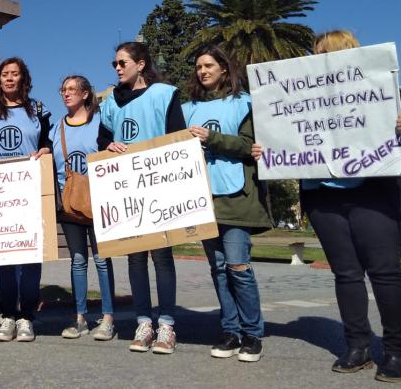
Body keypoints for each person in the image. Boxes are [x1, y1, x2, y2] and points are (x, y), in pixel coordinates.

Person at [253, 30, 401, 382]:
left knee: (384, 272)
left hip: (376, 192)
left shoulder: (380, 85)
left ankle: (397, 352)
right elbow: (285, 131)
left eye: (322, 51)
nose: (317, 56)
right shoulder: (302, 93)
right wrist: (267, 151)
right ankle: (357, 347)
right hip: (324, 195)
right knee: (346, 273)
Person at [182, 46, 271, 362]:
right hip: (203, 198)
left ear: (224, 68)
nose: (202, 71)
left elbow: (250, 146)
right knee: (218, 268)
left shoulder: (244, 103)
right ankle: (230, 331)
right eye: (198, 67)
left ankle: (252, 333)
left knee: (238, 266)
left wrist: (211, 139)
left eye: (208, 65)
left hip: (235, 196)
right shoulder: (187, 108)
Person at [98, 41, 186, 354]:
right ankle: (143, 322)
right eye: (115, 64)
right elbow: (103, 140)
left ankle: (166, 324)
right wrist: (108, 147)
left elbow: (179, 138)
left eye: (122, 62)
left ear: (141, 64)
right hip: (127, 192)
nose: (117, 68)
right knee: (135, 258)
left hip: (159, 187)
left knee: (162, 257)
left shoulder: (165, 94)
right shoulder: (110, 103)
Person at [0, 57, 52, 342]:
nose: (9, 79)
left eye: (14, 74)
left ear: (23, 79)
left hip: (27, 192)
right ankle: (7, 316)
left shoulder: (39, 109)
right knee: (2, 257)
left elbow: (47, 142)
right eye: (5, 74)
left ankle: (27, 317)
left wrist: (44, 151)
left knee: (30, 258)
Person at [51, 75, 115, 341]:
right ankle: (80, 317)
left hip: (99, 200)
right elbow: (49, 156)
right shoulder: (57, 127)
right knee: (78, 261)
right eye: (63, 90)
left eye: (72, 90)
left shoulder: (102, 123)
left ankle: (108, 317)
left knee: (102, 259)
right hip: (68, 203)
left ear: (86, 94)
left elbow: (112, 152)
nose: (66, 94)